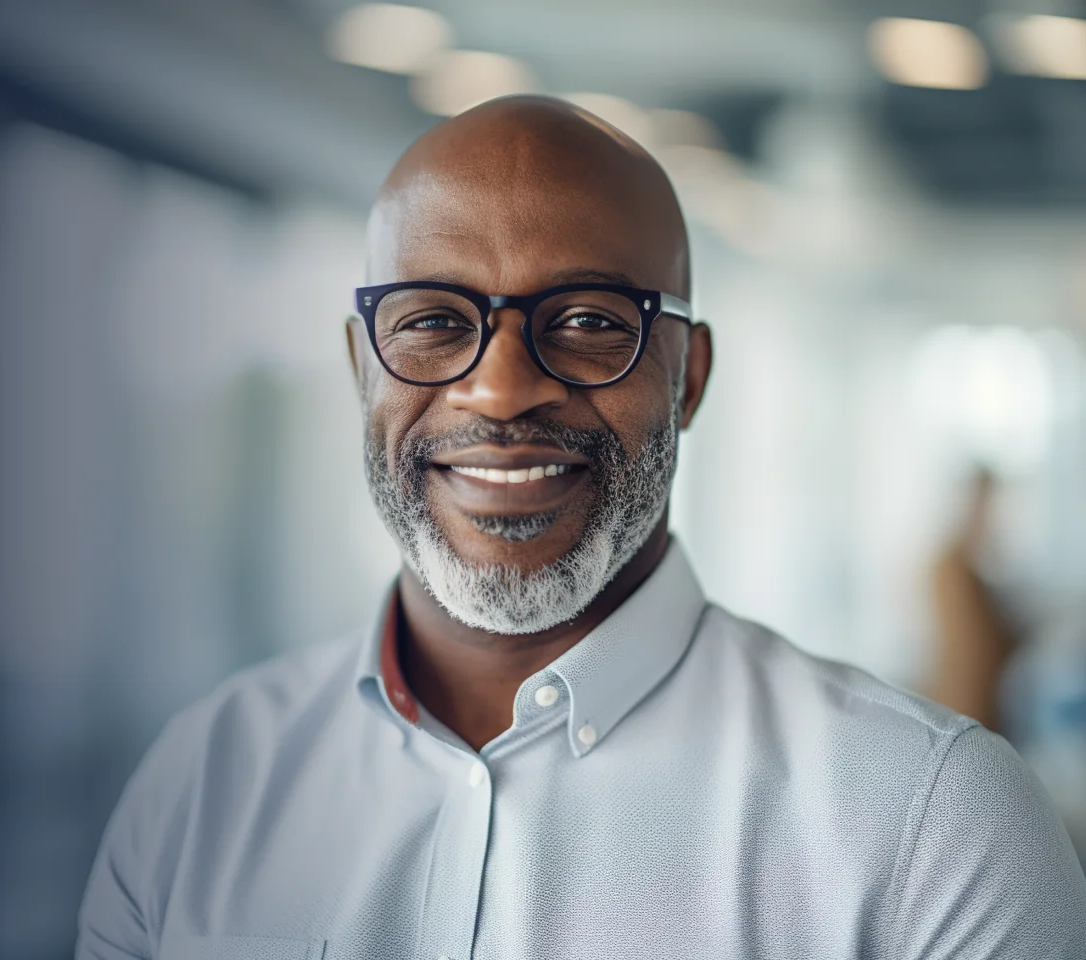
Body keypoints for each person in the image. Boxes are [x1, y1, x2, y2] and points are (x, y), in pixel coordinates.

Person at [75, 96, 1086, 960]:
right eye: (432, 320)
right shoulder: (203, 782)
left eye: (591, 320)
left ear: (687, 379)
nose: (502, 388)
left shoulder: (933, 828)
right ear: (360, 369)